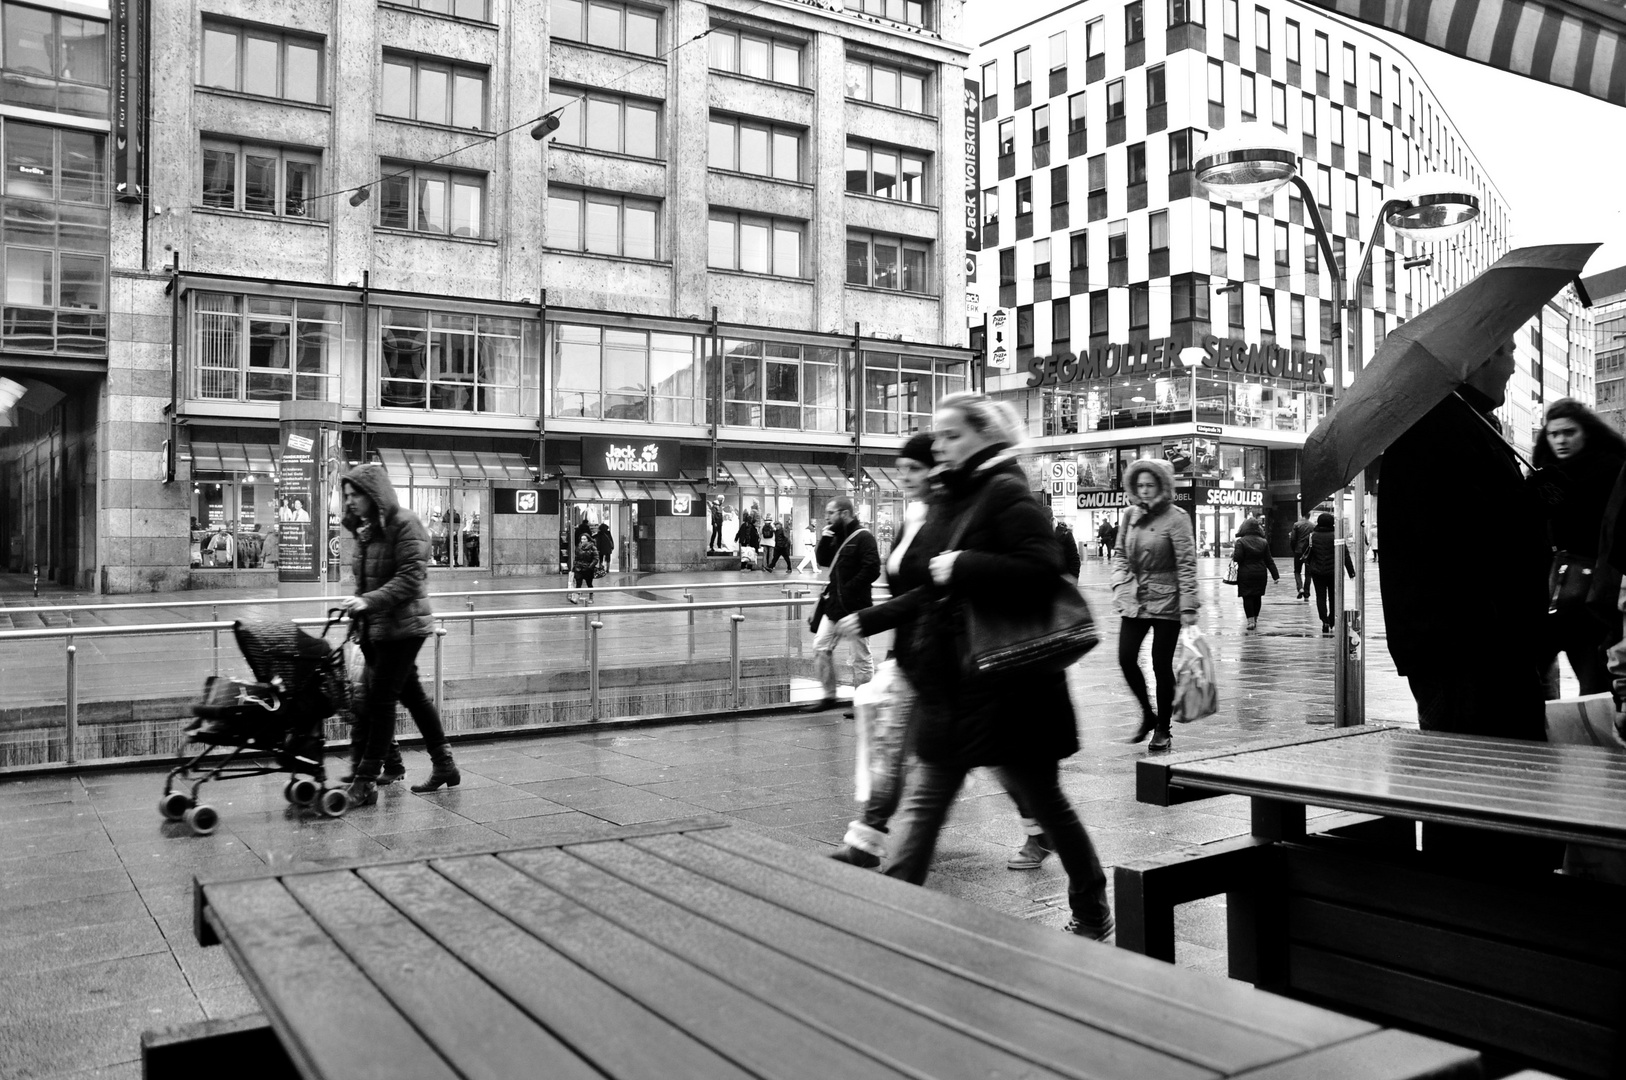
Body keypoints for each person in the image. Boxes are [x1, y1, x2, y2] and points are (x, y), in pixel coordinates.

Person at [834, 392, 1114, 940]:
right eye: (937, 436)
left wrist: (966, 563)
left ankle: (1091, 905)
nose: (939, 445)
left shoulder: (1007, 492)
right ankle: (896, 913)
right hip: (949, 682)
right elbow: (931, 588)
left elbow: (1043, 567)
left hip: (1009, 686)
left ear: (985, 435)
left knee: (1046, 804)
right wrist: (873, 617)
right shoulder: (948, 498)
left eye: (951, 434)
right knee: (926, 800)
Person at [829, 431, 1057, 874]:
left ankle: (1042, 828)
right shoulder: (913, 517)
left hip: (948, 657)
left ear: (935, 470)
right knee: (895, 748)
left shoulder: (951, 514)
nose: (905, 477)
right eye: (901, 470)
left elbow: (932, 590)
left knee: (991, 758)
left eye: (914, 468)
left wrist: (873, 618)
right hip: (912, 654)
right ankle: (868, 840)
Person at [1379, 339, 1550, 741]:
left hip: (1477, 647)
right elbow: (1467, 539)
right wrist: (1530, 502)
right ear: (1479, 358)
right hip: (1467, 653)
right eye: (1507, 351)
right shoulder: (1441, 430)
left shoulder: (1463, 423)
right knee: (1478, 779)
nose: (1513, 365)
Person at [336, 463, 459, 803]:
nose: (350, 502)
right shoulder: (368, 530)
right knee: (413, 696)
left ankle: (365, 779)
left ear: (373, 494)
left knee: (382, 699)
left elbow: (410, 578)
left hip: (406, 626)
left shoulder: (405, 524)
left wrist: (367, 602)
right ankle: (443, 764)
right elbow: (366, 583)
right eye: (345, 496)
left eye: (355, 495)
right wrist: (360, 617)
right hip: (380, 627)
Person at [1531, 398, 1626, 696]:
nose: (1561, 440)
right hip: (1552, 588)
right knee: (1532, 673)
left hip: (1593, 591)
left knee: (1594, 677)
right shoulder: (1546, 473)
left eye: (1569, 432)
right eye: (1554, 433)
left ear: (1586, 432)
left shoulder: (1611, 469)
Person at [1111, 458, 1200, 753]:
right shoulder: (1130, 514)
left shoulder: (1177, 518)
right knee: (1125, 657)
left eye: (1150, 485)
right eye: (1140, 485)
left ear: (1162, 486)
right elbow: (1121, 553)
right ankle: (1147, 714)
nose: (1145, 491)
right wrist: (1119, 582)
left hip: (1168, 599)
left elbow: (1187, 564)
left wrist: (1188, 607)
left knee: (1161, 665)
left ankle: (1163, 727)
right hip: (1135, 596)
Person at [806, 495, 878, 711]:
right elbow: (824, 561)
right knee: (820, 646)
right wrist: (826, 539)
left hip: (856, 606)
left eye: (830, 513)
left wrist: (848, 588)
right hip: (834, 606)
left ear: (844, 513)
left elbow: (872, 568)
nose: (826, 517)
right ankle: (829, 697)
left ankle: (863, 704)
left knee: (860, 656)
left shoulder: (864, 537)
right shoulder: (835, 535)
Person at [1304, 512, 1354, 635]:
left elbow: (1305, 553)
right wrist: (1351, 571)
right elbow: (1345, 554)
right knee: (1333, 597)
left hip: (1317, 572)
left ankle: (1324, 621)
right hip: (1334, 572)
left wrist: (1311, 565)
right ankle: (1332, 619)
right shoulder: (1337, 536)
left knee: (1320, 597)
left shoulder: (1312, 536)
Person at [1230, 518, 1279, 632]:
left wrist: (1234, 554)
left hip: (1245, 573)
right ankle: (1255, 619)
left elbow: (1237, 558)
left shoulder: (1241, 542)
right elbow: (1269, 560)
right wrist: (1275, 575)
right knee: (1257, 596)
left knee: (1247, 596)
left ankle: (1250, 621)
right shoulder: (1263, 542)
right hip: (1260, 573)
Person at [1289, 511, 1315, 600]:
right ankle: (1307, 594)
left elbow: (1292, 539)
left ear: (1301, 515)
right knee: (1308, 573)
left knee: (1297, 571)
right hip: (1309, 551)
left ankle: (1300, 588)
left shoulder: (1296, 525)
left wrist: (1294, 549)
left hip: (1298, 550)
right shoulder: (1313, 526)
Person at [568, 531, 598, 604]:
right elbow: (576, 558)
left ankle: (591, 598)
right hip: (579, 568)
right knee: (578, 583)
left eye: (584, 539)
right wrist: (574, 566)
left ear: (588, 539)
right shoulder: (578, 547)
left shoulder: (592, 547)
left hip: (588, 569)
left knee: (589, 584)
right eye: (582, 539)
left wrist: (590, 566)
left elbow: (596, 558)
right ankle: (575, 598)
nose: (583, 540)